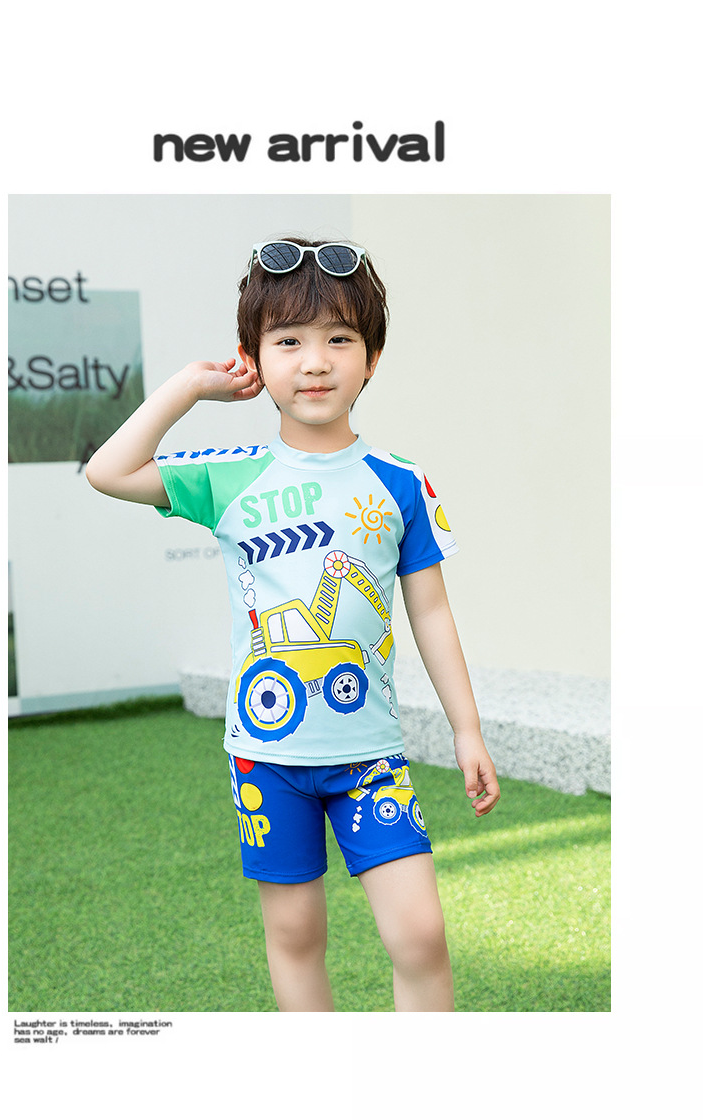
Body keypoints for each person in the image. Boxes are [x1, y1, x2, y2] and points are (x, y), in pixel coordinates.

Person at [86, 236, 500, 1012]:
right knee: (296, 934)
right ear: (254, 358)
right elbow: (107, 471)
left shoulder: (400, 483)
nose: (315, 362)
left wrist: (467, 730)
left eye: (339, 339)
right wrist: (189, 387)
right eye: (288, 342)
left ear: (372, 359)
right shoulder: (230, 476)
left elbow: (431, 611)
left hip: (370, 756)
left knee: (420, 935)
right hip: (265, 759)